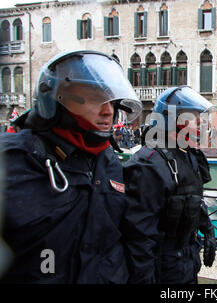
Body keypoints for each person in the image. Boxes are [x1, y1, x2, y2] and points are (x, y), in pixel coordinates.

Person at [0, 50, 142, 283]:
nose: (108, 111)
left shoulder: (109, 161)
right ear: (55, 98)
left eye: (112, 101)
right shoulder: (10, 160)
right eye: (95, 98)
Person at [123, 86, 217, 284]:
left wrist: (207, 229)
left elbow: (194, 198)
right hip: (161, 271)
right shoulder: (148, 165)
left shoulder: (191, 156)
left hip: (188, 262)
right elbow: (138, 238)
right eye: (192, 117)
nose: (201, 123)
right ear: (171, 120)